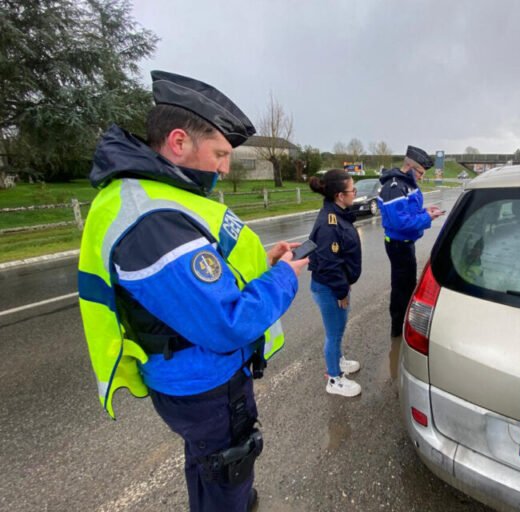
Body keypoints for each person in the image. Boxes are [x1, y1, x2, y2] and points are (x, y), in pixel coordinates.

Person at [77, 70, 308, 512]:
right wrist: (285, 279)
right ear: (179, 142)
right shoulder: (151, 218)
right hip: (205, 381)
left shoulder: (156, 194)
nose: (225, 167)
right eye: (220, 154)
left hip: (196, 376)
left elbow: (202, 268)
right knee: (227, 469)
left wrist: (265, 260)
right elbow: (225, 321)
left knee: (208, 462)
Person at [377, 146, 444, 338]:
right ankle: (398, 329)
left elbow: (409, 214)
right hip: (398, 245)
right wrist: (428, 219)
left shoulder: (407, 183)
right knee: (401, 288)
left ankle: (403, 321)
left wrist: (425, 212)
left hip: (405, 243)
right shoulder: (395, 187)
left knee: (407, 284)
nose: (422, 177)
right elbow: (401, 222)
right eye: (421, 172)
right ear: (410, 166)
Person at [307, 169, 363, 397]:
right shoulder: (330, 224)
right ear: (340, 195)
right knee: (334, 334)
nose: (355, 194)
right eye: (352, 190)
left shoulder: (339, 215)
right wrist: (341, 291)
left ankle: (338, 361)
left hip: (335, 285)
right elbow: (330, 264)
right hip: (330, 288)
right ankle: (334, 379)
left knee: (338, 331)